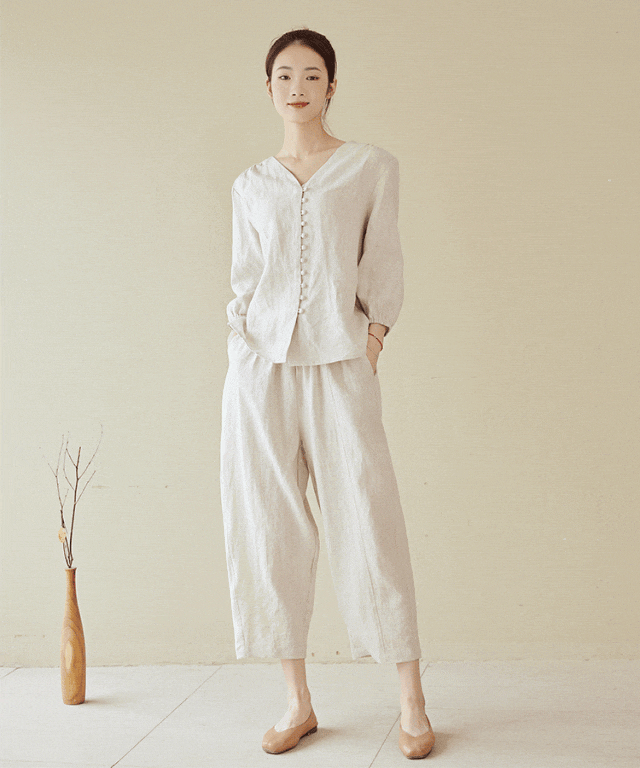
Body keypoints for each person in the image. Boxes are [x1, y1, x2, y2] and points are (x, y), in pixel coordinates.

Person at [220, 28, 435, 760]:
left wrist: (373, 338)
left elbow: (384, 258)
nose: (298, 87)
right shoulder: (251, 184)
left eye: (312, 75)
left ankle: (411, 702)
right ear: (269, 88)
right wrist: (241, 345)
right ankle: (297, 701)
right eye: (284, 75)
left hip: (342, 359)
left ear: (332, 87)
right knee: (270, 524)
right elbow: (246, 277)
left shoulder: (370, 167)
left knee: (369, 517)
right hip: (261, 368)